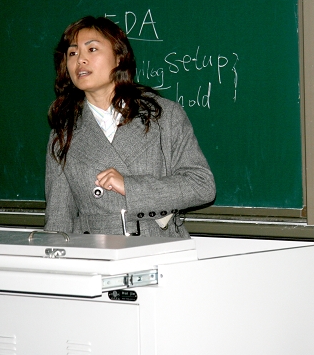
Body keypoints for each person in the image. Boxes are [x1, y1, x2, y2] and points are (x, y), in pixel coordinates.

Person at [44, 16, 215, 238]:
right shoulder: (64, 131)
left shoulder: (164, 115)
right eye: (72, 53)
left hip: (158, 245)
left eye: (92, 49)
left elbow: (202, 186)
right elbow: (58, 219)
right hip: (93, 249)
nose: (81, 60)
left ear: (119, 58)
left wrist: (130, 186)